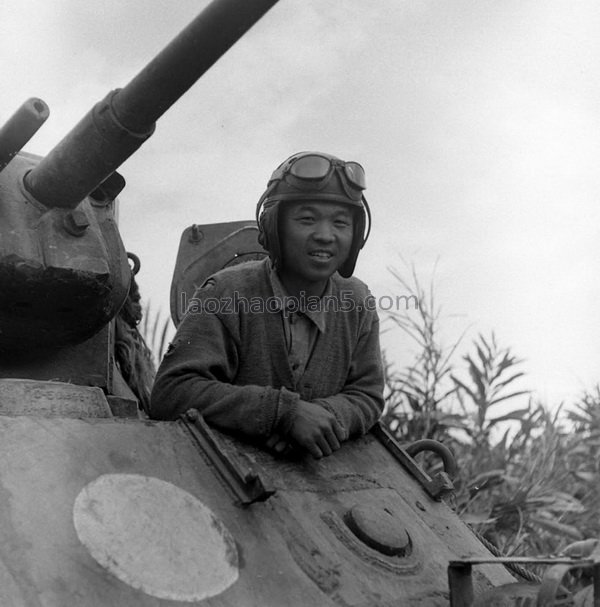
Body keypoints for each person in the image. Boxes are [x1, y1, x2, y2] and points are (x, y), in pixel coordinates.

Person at [150, 151, 384, 459]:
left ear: (356, 236)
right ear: (274, 227)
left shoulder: (357, 303)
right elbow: (172, 392)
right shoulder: (225, 293)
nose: (326, 236)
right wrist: (283, 414)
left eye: (340, 223)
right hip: (224, 474)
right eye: (307, 219)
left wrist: (320, 419)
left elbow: (367, 395)